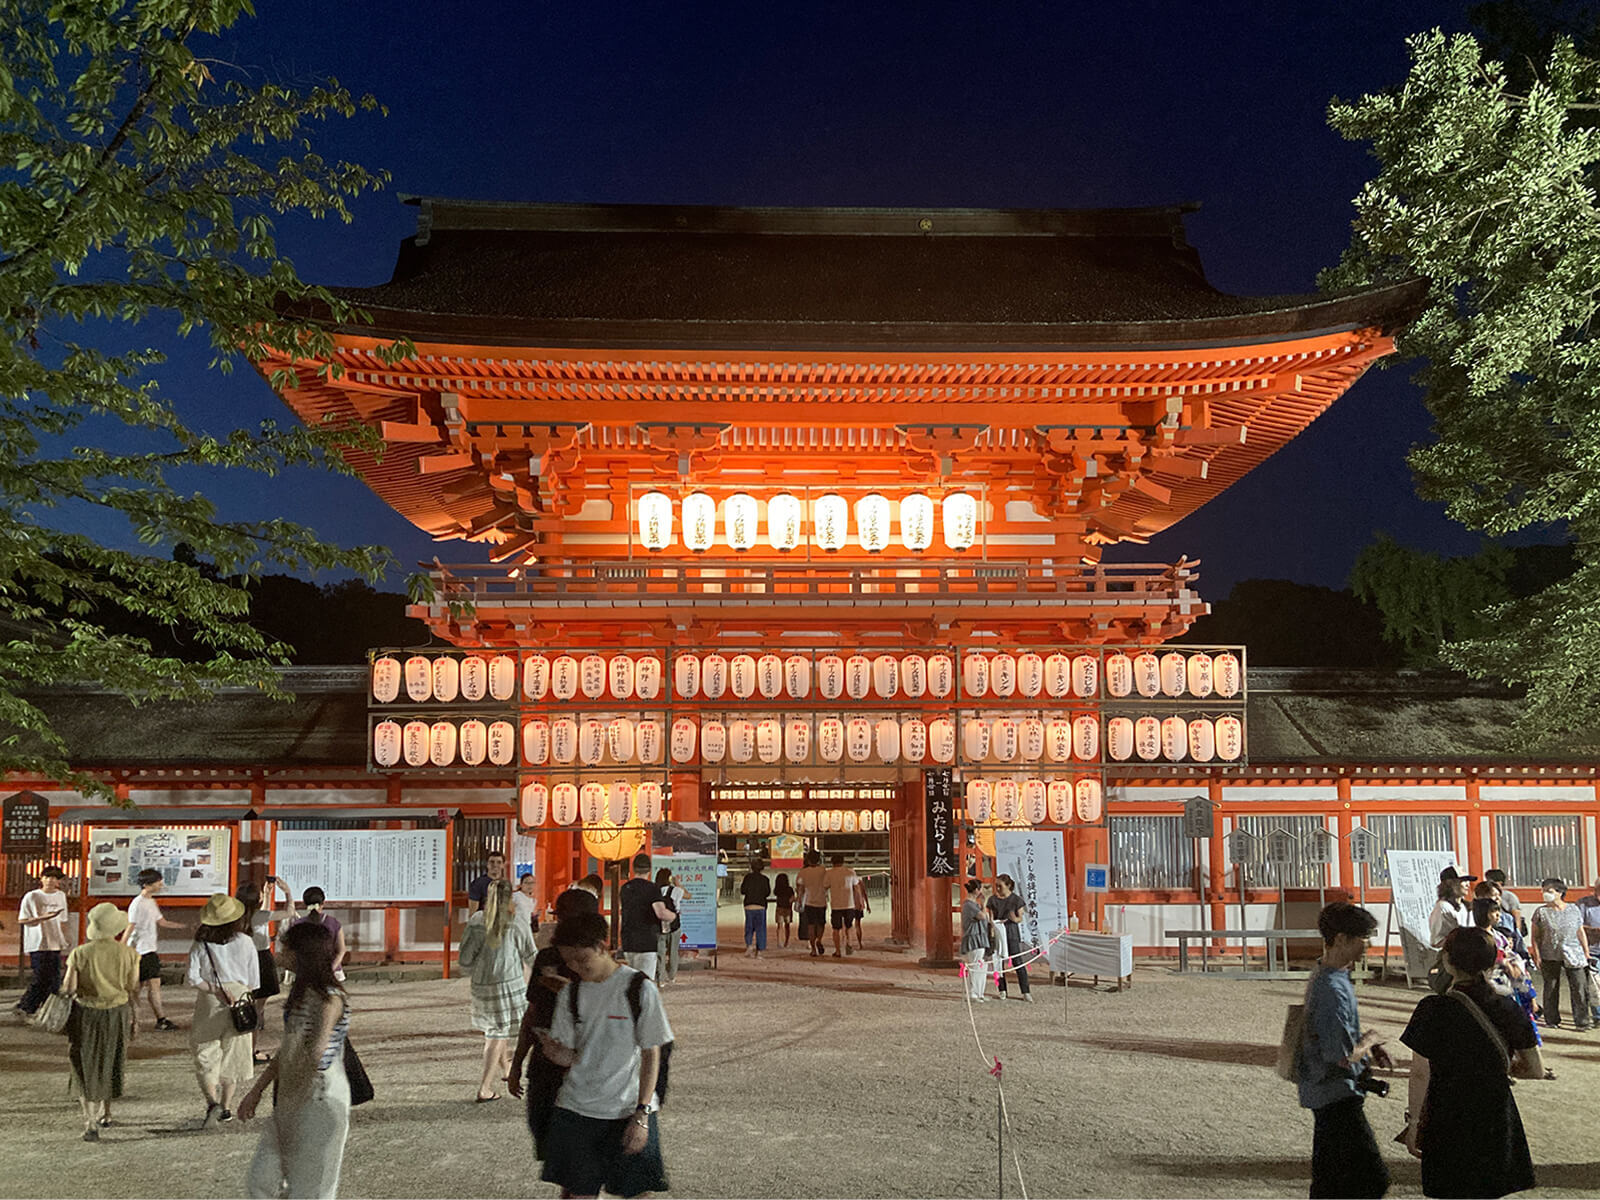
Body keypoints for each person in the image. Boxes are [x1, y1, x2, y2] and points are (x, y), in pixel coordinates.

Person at [537, 913, 672, 1199]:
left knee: (637, 1193)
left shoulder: (638, 989)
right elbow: (572, 1057)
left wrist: (642, 1114)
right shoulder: (571, 994)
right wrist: (556, 1053)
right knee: (577, 1193)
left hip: (627, 1109)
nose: (575, 967)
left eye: (581, 959)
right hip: (577, 1109)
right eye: (569, 961)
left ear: (602, 946)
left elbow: (651, 1053)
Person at [1402, 926, 1542, 1198]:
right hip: (1494, 1111)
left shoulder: (1432, 1009)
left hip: (1447, 1112)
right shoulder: (1508, 1007)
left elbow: (1420, 1072)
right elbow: (1535, 1069)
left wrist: (1415, 1121)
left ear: (1447, 960)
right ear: (1490, 963)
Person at [238, 921, 351, 1200]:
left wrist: (292, 1097)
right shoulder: (301, 995)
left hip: (321, 1097)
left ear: (302, 954)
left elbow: (316, 1052)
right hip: (293, 1095)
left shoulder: (330, 999)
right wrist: (257, 1090)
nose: (279, 952)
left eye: (285, 947)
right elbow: (288, 1050)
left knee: (311, 1189)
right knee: (261, 1180)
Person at [1298, 901, 1392, 1199]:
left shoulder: (1327, 975)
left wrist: (1364, 1041)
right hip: (1336, 1094)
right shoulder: (1332, 989)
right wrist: (1370, 1040)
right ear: (1341, 939)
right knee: (1371, 1179)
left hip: (1323, 1092)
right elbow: (1341, 1056)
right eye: (1364, 938)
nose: (1368, 945)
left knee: (1331, 1182)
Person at [61, 902, 140, 1141]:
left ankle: (90, 1121)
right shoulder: (130, 954)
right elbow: (132, 987)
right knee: (111, 1059)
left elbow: (69, 988)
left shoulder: (80, 953)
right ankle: (107, 1112)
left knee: (84, 1064)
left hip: (86, 1013)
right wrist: (135, 1018)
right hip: (117, 1012)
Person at [459, 878, 538, 1102]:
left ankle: (506, 1067)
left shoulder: (477, 920)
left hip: (482, 985)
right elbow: (530, 954)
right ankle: (484, 1088)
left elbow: (465, 959)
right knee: (497, 1033)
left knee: (497, 1027)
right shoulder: (516, 921)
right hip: (509, 983)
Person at [188, 891, 261, 1127]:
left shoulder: (201, 943)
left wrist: (215, 989)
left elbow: (193, 978)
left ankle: (212, 1102)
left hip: (210, 998)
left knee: (205, 1051)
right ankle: (227, 1107)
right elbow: (254, 981)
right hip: (240, 997)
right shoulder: (246, 942)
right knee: (234, 1053)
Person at [507, 945, 577, 1161]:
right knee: (541, 1127)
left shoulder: (591, 970)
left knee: (574, 1142)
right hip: (543, 1065)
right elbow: (531, 1016)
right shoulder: (547, 958)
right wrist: (516, 1065)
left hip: (578, 1070)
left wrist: (570, 991)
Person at [1529, 876, 1592, 1031]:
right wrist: (1537, 954)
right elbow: (1535, 936)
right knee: (1551, 987)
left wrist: (1586, 951)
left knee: (1579, 986)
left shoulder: (1573, 909)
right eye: (1544, 891)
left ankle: (1582, 1021)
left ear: (1560, 892)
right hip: (1549, 953)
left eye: (1549, 891)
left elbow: (1580, 931)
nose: (1545, 894)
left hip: (1574, 953)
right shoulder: (1541, 912)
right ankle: (1552, 1019)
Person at [240, 878, 289, 1063]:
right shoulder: (259, 915)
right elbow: (289, 912)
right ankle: (251, 1052)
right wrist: (287, 892)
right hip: (261, 959)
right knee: (257, 1009)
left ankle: (246, 1049)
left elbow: (263, 916)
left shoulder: (241, 915)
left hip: (245, 959)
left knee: (249, 1004)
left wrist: (267, 894)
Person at [128, 867, 183, 1030]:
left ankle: (157, 1019)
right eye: (157, 882)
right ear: (146, 885)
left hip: (149, 950)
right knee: (137, 988)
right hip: (140, 951)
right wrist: (122, 948)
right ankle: (136, 1020)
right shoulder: (138, 903)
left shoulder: (151, 902)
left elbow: (162, 922)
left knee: (152, 985)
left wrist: (183, 927)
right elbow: (130, 926)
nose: (160, 885)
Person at [16, 865, 71, 1018]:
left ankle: (47, 1010)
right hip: (37, 942)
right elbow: (22, 920)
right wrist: (43, 918)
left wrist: (65, 937)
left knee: (54, 980)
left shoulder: (61, 896)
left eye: (54, 878)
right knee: (40, 977)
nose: (50, 881)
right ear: (41, 879)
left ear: (59, 881)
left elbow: (63, 920)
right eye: (47, 877)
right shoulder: (32, 896)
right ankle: (26, 1006)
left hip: (55, 942)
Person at [619, 854, 673, 980]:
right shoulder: (652, 888)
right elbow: (661, 913)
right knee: (645, 982)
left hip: (628, 941)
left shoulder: (625, 888)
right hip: (647, 941)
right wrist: (673, 916)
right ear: (649, 870)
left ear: (633, 869)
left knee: (630, 980)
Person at [286, 888, 348, 983]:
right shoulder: (333, 923)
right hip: (332, 973)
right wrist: (331, 969)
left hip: (305, 973)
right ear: (323, 903)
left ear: (305, 904)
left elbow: (291, 951)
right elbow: (341, 950)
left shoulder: (298, 924)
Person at [986, 875, 1033, 1002]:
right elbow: (991, 918)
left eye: (1000, 886)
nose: (998, 888)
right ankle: (1002, 990)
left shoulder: (1016, 900)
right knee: (998, 962)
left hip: (1011, 932)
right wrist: (993, 925)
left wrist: (1014, 918)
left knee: (1017, 961)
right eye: (996, 886)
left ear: (1008, 886)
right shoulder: (992, 900)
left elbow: (1019, 918)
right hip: (998, 932)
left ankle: (1025, 991)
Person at [1427, 868, 1474, 993]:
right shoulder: (1443, 908)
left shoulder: (1465, 906)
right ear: (1450, 884)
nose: (1467, 885)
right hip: (1452, 958)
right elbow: (1437, 940)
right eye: (1463, 881)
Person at [959, 879, 994, 1003]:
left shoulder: (974, 904)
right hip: (973, 938)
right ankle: (973, 993)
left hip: (980, 937)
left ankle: (980, 992)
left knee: (981, 966)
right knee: (975, 965)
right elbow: (982, 916)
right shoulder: (969, 905)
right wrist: (984, 904)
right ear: (976, 890)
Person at [820, 854, 858, 958]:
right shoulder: (850, 872)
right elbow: (856, 887)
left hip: (836, 905)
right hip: (849, 903)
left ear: (832, 862)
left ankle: (837, 951)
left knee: (836, 928)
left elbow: (825, 886)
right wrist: (858, 901)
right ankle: (849, 944)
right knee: (849, 926)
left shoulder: (829, 873)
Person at [795, 850, 828, 958]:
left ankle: (813, 948)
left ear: (808, 860)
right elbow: (827, 884)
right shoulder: (823, 870)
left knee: (811, 925)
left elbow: (800, 887)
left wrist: (799, 899)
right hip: (821, 901)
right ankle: (819, 940)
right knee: (821, 924)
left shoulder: (803, 872)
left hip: (809, 901)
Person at [654, 868, 682, 983]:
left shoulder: (654, 891)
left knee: (660, 952)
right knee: (673, 952)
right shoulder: (676, 891)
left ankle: (660, 977)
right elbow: (679, 904)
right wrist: (677, 883)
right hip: (674, 924)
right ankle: (671, 976)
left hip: (658, 924)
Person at [1484, 868, 1526, 937]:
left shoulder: (1509, 897)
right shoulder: (1486, 895)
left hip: (1507, 930)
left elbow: (1516, 916)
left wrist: (1516, 935)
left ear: (1500, 883)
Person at [468, 851, 508, 916]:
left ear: (503, 865)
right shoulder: (477, 884)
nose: (495, 865)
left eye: (499, 862)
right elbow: (473, 913)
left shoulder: (506, 884)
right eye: (492, 862)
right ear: (487, 864)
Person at [772, 873, 795, 948]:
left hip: (779, 908)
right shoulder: (789, 889)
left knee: (779, 926)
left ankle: (779, 941)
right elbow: (792, 898)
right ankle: (787, 941)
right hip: (788, 908)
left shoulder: (777, 890)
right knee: (787, 926)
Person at [851, 871, 871, 951]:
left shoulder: (848, 883)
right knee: (858, 925)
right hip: (859, 905)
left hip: (849, 905)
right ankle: (859, 943)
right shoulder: (860, 882)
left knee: (847, 925)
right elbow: (864, 894)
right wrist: (868, 905)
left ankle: (848, 942)